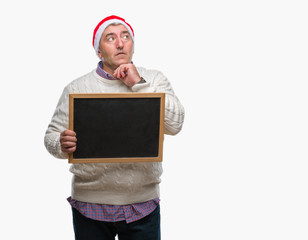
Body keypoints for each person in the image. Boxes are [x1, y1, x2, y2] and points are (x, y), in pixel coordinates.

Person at [44, 15, 184, 240]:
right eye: (110, 38)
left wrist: (139, 84)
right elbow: (50, 137)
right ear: (99, 51)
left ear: (132, 46)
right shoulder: (77, 88)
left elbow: (175, 125)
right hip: (90, 206)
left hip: (142, 205)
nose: (120, 43)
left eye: (125, 36)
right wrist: (61, 143)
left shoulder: (154, 80)